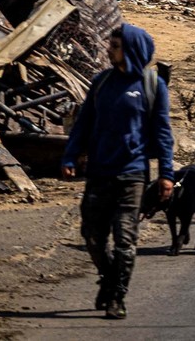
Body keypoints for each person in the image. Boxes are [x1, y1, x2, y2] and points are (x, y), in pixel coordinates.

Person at [62, 23, 175, 319]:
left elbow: (163, 133)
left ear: (131, 50)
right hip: (99, 173)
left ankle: (117, 296)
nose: (108, 50)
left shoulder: (152, 86)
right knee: (93, 236)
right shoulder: (101, 83)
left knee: (125, 239)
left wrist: (167, 174)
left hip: (133, 174)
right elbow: (83, 124)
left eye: (114, 46)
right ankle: (109, 278)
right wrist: (71, 156)